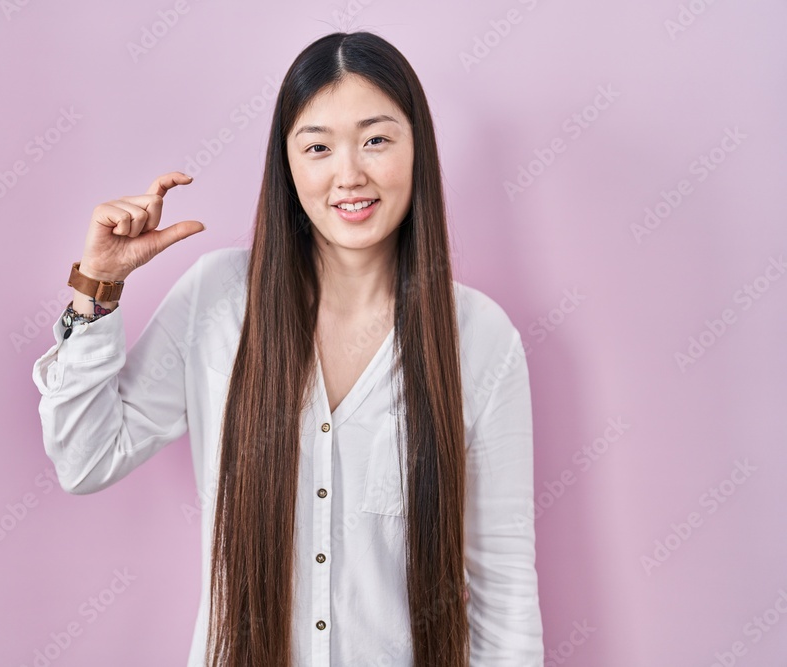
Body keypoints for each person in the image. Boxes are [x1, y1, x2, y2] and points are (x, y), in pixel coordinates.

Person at [32, 30, 543, 667]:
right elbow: (84, 459)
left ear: (418, 150)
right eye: (319, 147)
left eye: (377, 139)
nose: (349, 174)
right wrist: (96, 289)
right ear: (288, 163)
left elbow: (504, 586)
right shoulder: (216, 301)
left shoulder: (480, 339)